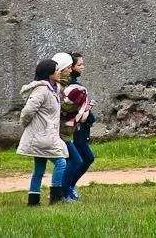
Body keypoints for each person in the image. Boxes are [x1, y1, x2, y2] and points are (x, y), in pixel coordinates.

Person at [17, 59, 69, 205]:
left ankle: (33, 201)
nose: (59, 72)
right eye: (56, 70)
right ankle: (56, 198)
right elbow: (28, 111)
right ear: (49, 73)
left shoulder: (54, 89)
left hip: (45, 136)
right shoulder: (42, 90)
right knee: (61, 163)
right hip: (43, 136)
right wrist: (26, 124)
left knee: (39, 169)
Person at [52, 52, 84, 201]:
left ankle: (62, 193)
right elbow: (59, 108)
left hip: (64, 131)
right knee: (73, 161)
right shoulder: (57, 87)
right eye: (69, 67)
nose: (71, 70)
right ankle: (61, 193)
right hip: (58, 131)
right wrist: (77, 105)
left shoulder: (63, 85)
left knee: (70, 161)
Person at [64, 52, 96, 200]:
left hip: (82, 127)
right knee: (81, 158)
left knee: (85, 158)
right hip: (76, 127)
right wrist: (86, 108)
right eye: (79, 64)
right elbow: (75, 107)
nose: (82, 67)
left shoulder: (75, 83)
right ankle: (67, 188)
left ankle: (69, 186)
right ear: (71, 66)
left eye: (83, 64)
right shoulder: (72, 85)